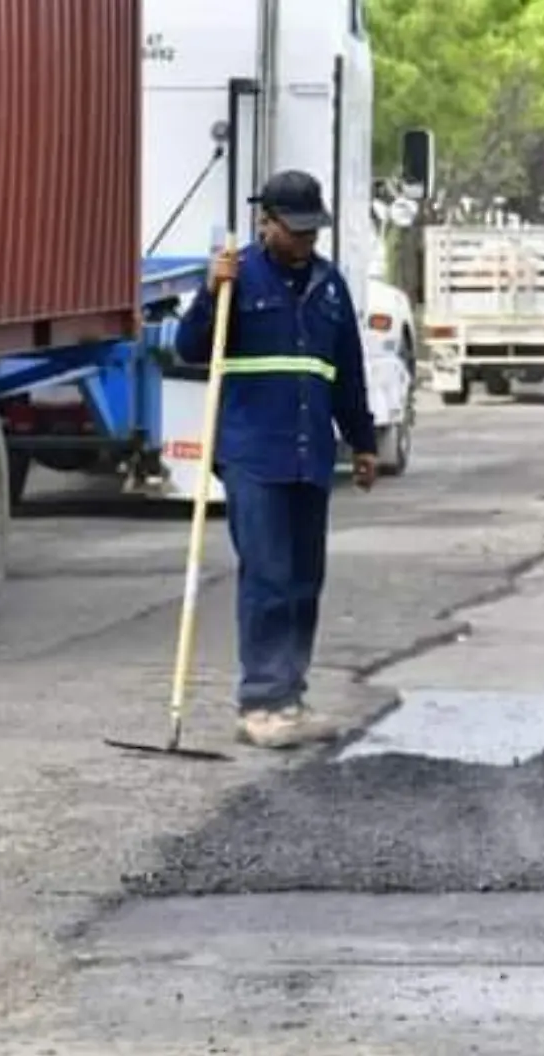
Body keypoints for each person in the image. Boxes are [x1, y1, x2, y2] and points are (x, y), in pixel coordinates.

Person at [174, 169, 377, 749]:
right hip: (252, 452)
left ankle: (290, 695)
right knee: (267, 576)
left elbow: (348, 375)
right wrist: (211, 294)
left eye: (314, 231)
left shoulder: (329, 286)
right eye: (296, 230)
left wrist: (362, 442)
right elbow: (190, 349)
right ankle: (260, 703)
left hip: (311, 455)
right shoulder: (238, 279)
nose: (307, 241)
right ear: (266, 224)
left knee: (304, 580)